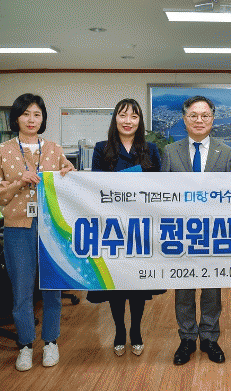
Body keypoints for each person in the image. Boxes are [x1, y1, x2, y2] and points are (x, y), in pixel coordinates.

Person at [0, 93, 75, 371]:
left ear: (43, 118)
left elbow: (70, 184)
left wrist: (71, 173)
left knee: (52, 289)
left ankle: (51, 342)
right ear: (16, 118)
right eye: (25, 114)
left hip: (52, 229)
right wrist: (18, 182)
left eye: (37, 114)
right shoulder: (2, 150)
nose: (31, 119)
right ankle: (25, 344)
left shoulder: (55, 150)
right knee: (21, 290)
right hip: (17, 229)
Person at [161, 95, 231, 365]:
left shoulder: (226, 153)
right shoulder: (170, 152)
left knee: (212, 288)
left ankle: (210, 337)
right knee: (184, 288)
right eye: (193, 115)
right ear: (184, 120)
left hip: (214, 233)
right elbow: (162, 196)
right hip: (181, 232)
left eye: (205, 115)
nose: (199, 120)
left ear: (213, 119)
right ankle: (187, 338)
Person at [89, 98, 165, 357]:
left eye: (134, 116)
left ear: (140, 121)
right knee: (116, 283)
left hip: (141, 226)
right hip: (112, 227)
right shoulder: (101, 149)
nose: (128, 121)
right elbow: (94, 188)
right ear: (115, 118)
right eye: (123, 115)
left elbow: (159, 188)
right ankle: (119, 330)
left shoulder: (151, 149)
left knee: (137, 283)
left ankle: (135, 330)